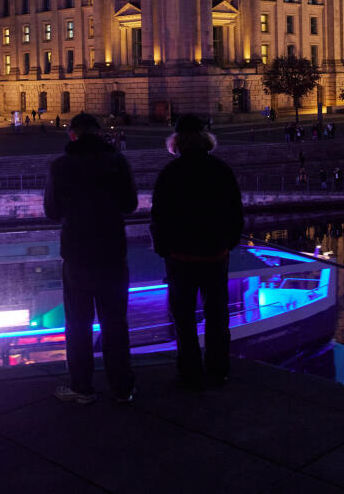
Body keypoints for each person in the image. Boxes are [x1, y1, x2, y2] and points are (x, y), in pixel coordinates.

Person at [44, 113, 138, 404]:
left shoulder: (61, 166)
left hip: (77, 254)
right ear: (100, 134)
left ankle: (82, 387)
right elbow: (130, 204)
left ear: (73, 135)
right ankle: (122, 388)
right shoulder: (117, 162)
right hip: (111, 251)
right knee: (115, 323)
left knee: (78, 323)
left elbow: (52, 211)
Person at [151, 115, 243, 390]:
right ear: (206, 139)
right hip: (215, 254)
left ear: (176, 141)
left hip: (180, 257)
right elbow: (235, 211)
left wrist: (163, 248)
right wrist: (229, 243)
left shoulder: (170, 172)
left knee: (184, 318)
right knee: (217, 316)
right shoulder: (221, 169)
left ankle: (190, 371)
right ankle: (219, 370)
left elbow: (159, 216)